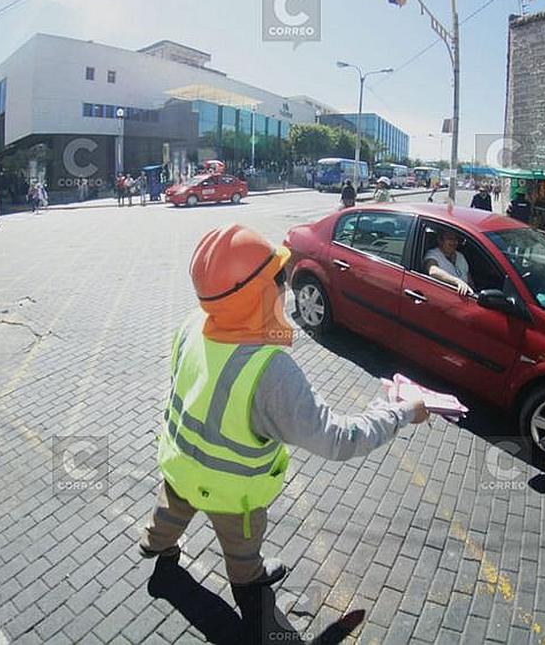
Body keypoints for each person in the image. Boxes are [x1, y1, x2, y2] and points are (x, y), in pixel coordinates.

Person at [140, 225, 428, 589]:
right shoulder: (270, 371)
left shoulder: (192, 324)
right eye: (279, 280)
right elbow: (337, 439)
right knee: (242, 546)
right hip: (231, 492)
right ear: (259, 293)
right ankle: (249, 580)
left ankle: (154, 543)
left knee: (170, 510)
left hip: (179, 464)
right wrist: (402, 410)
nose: (285, 288)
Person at [424, 229, 473, 296]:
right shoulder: (433, 254)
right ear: (440, 241)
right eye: (450, 239)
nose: (454, 242)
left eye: (456, 239)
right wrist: (457, 281)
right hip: (444, 296)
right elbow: (433, 271)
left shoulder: (460, 256)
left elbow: (469, 278)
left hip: (466, 296)